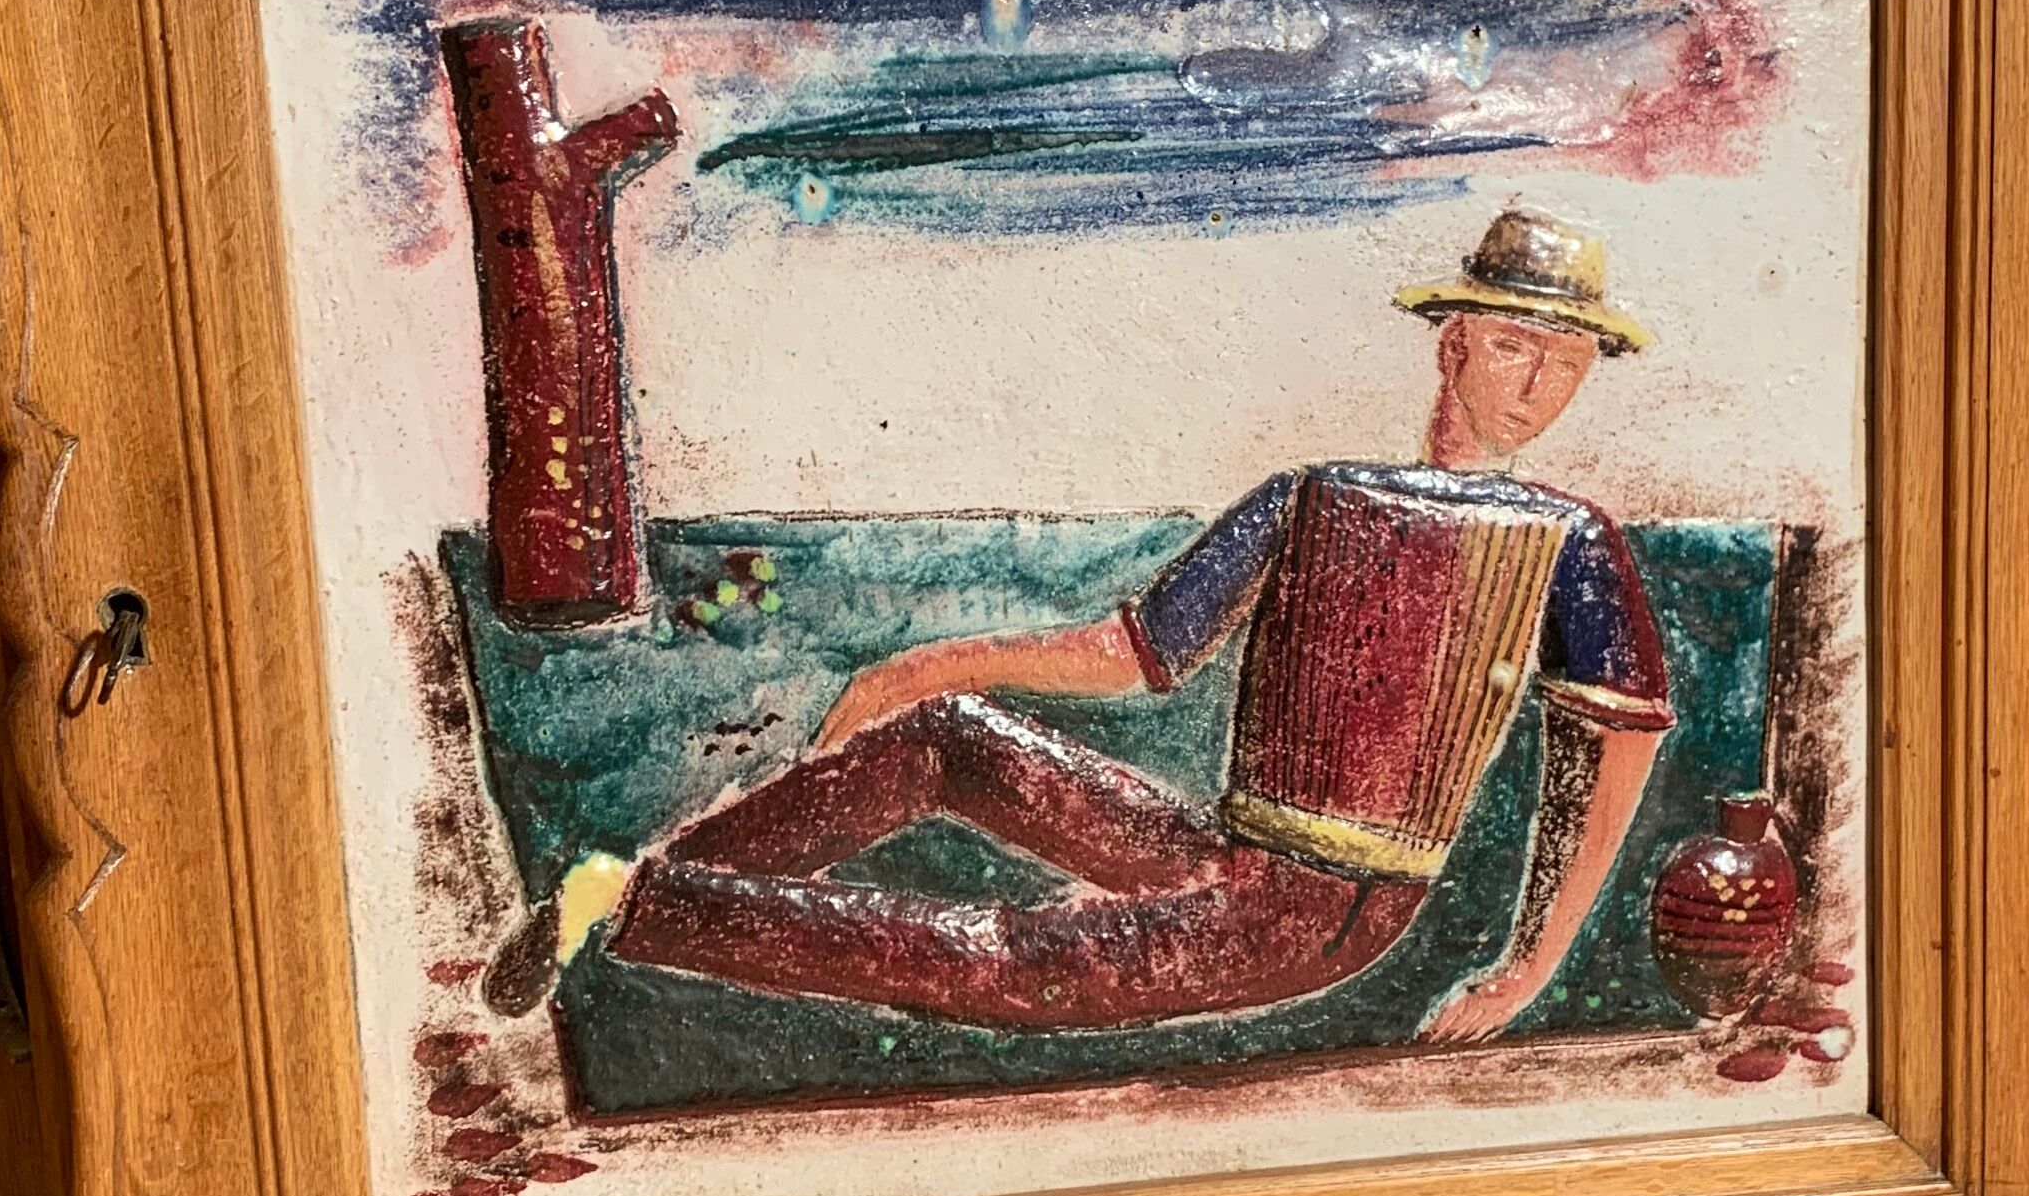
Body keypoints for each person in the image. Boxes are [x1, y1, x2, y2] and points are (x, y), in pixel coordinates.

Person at [485, 205, 1675, 1045]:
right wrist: (920, 670)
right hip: (1229, 854)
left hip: (1324, 916)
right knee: (949, 733)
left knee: (1008, 957)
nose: (1535, 385)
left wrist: (1530, 969)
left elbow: (1609, 765)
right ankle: (656, 887)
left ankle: (627, 904)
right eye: (1514, 346)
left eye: (1566, 361)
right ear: (1456, 342)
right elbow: (1135, 654)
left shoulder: (1572, 543)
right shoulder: (1311, 495)